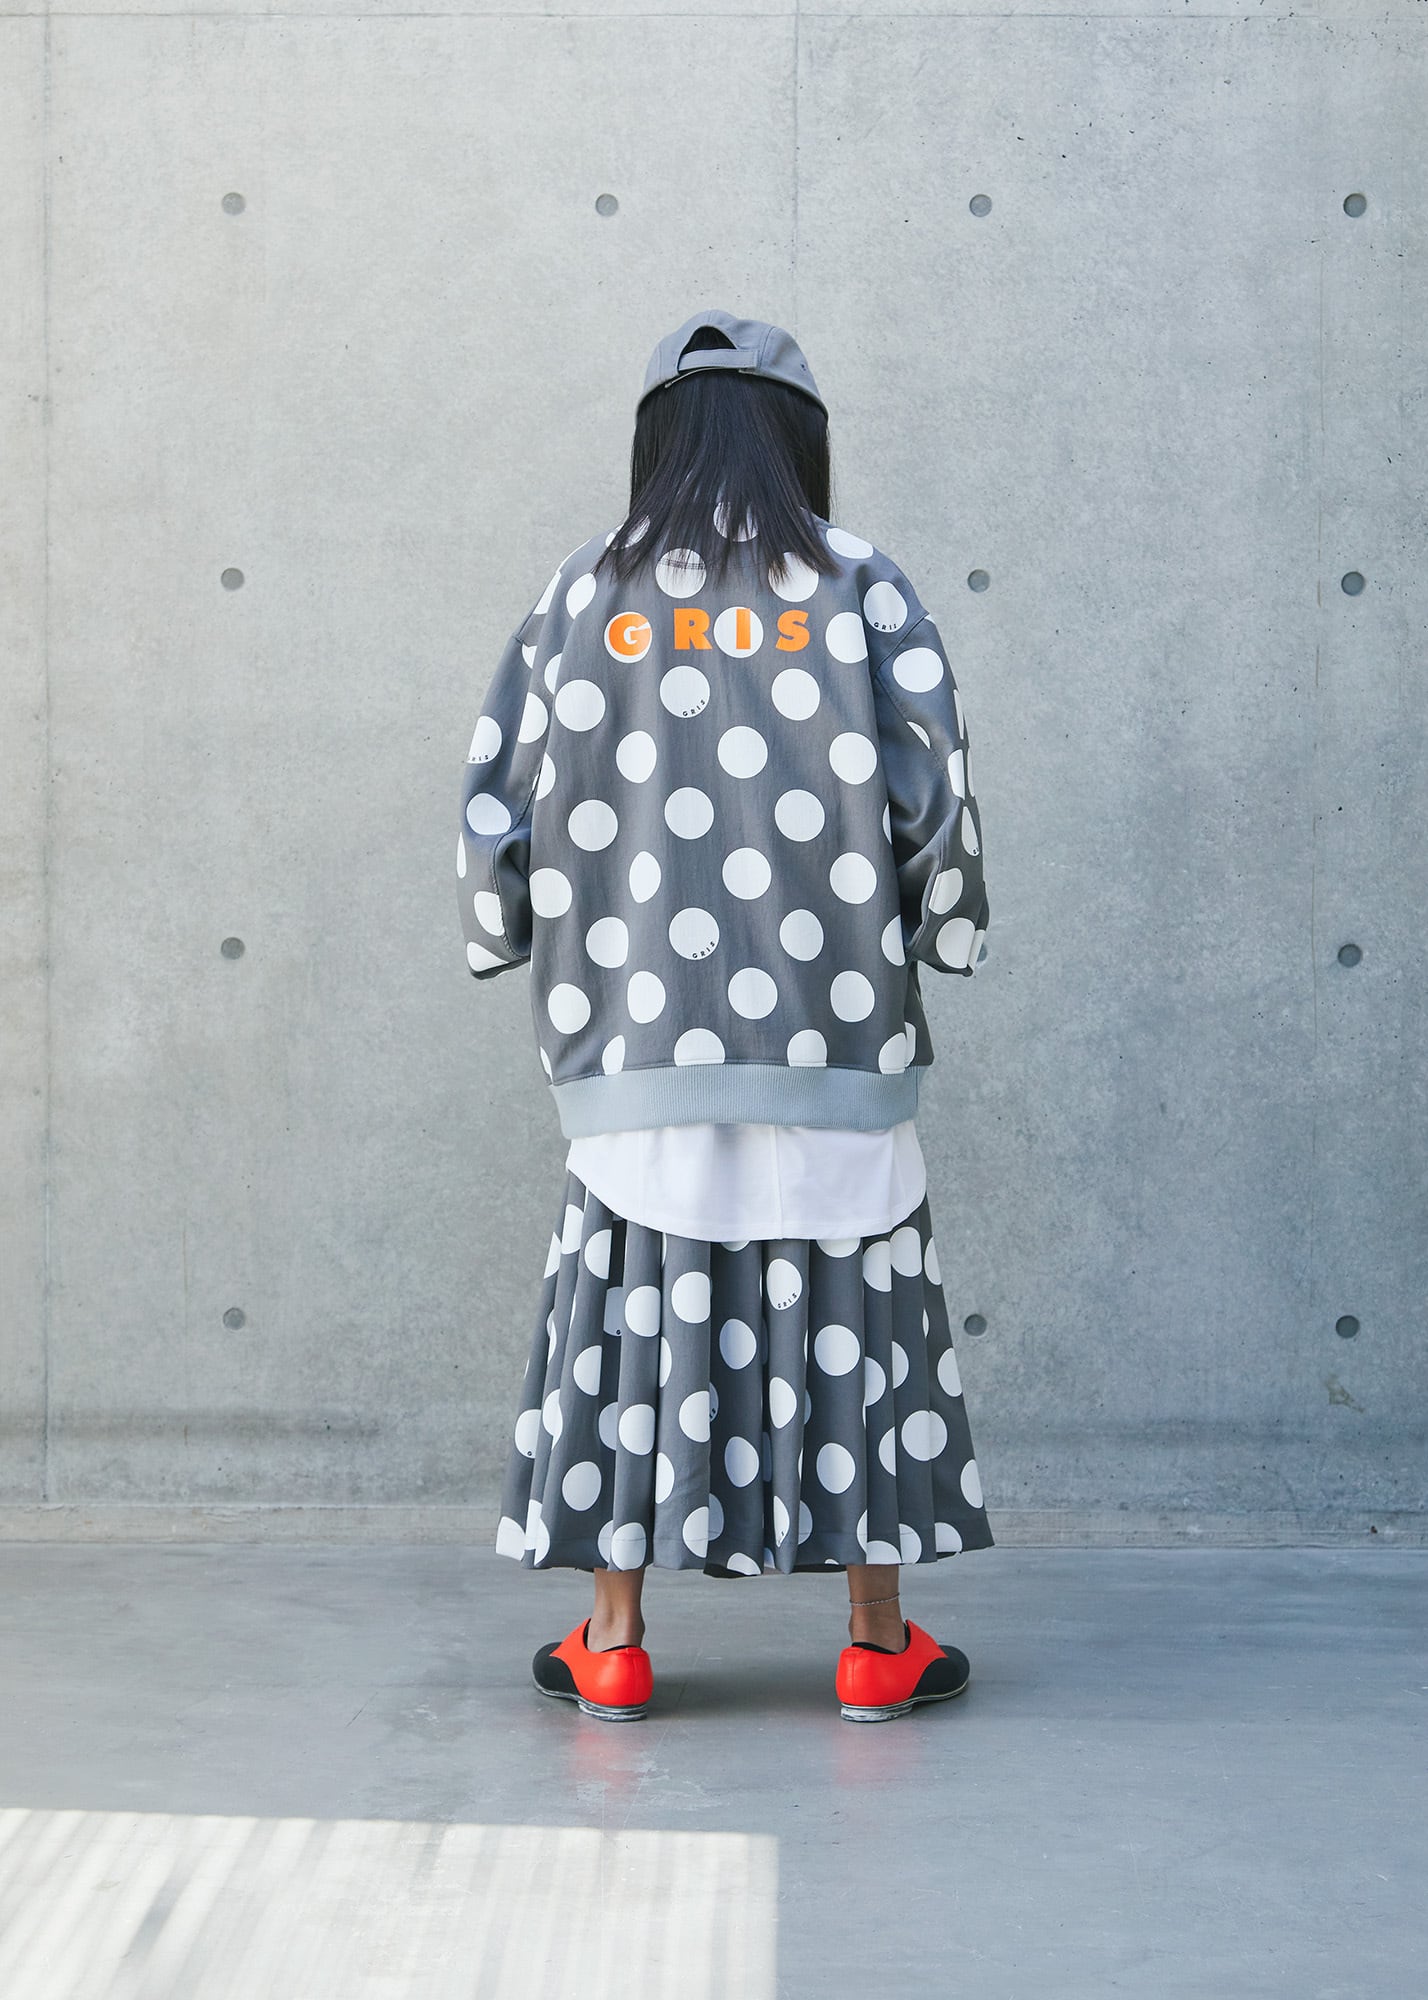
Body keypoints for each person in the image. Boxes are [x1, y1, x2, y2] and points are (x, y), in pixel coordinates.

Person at [457, 307, 994, 1724]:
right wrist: (944, 928)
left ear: (656, 441)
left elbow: (497, 802)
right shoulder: (861, 583)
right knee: (859, 1304)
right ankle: (876, 1642)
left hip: (634, 1031)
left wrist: (502, 932)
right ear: (800, 438)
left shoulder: (584, 592)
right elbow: (934, 794)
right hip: (836, 1026)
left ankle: (614, 1640)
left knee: (631, 1305)